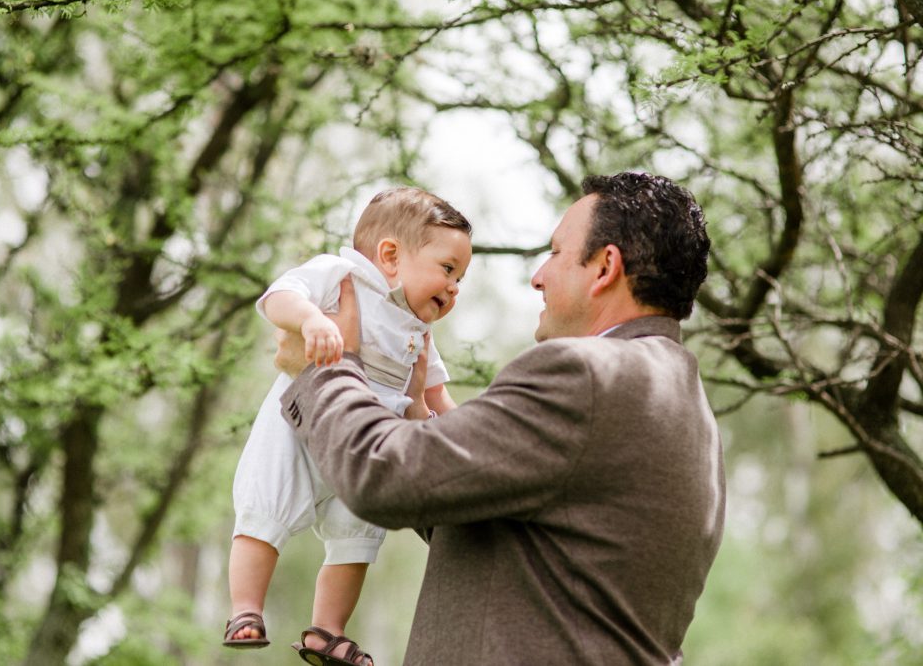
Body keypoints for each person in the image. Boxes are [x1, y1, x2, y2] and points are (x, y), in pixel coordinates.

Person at [273, 172, 726, 665]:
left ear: (605, 268)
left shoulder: (587, 375)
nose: (538, 276)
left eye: (555, 253)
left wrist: (326, 370)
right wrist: (423, 420)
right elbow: (517, 540)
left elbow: (383, 476)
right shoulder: (686, 406)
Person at [223, 187, 472, 666]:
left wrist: (463, 438)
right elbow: (278, 297)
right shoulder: (342, 277)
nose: (455, 286)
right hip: (300, 424)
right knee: (266, 506)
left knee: (357, 536)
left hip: (365, 445)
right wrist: (313, 319)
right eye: (447, 269)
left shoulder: (419, 332)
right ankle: (245, 609)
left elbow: (438, 396)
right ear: (391, 256)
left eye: (460, 277)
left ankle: (327, 631)